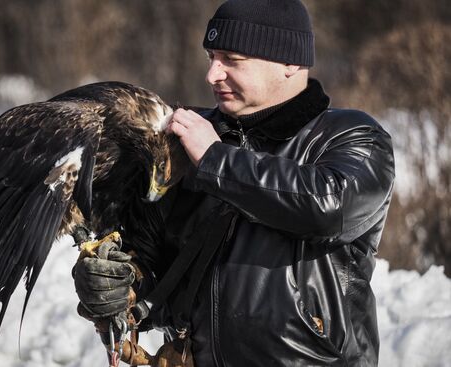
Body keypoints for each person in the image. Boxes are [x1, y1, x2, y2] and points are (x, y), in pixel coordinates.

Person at [73, 0, 395, 365]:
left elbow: (328, 208)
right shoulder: (188, 138)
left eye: (231, 59)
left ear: (289, 63)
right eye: (211, 56)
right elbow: (152, 259)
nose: (212, 74)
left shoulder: (351, 136)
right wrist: (118, 284)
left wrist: (215, 159)